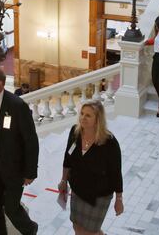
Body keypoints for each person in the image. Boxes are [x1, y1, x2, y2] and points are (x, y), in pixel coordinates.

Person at [0, 65, 39, 235]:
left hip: (13, 169)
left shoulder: (17, 106)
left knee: (11, 208)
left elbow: (31, 141)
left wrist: (30, 172)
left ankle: (30, 229)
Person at [59, 100, 124, 234]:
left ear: (98, 119)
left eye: (88, 115)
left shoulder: (109, 142)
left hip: (98, 195)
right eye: (82, 114)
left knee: (90, 231)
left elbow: (116, 173)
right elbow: (67, 159)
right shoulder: (75, 132)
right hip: (78, 190)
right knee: (77, 227)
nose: (83, 118)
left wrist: (119, 199)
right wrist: (64, 180)